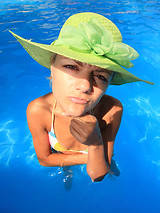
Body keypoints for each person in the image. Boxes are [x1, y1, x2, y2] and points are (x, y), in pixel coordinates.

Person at [9, 12, 153, 182]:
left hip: (94, 156)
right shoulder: (39, 111)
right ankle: (70, 172)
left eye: (100, 76)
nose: (85, 86)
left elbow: (97, 175)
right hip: (65, 155)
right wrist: (93, 156)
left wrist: (96, 142)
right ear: (51, 67)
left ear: (108, 84)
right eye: (71, 66)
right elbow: (45, 159)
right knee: (72, 167)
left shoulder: (112, 110)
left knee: (111, 172)